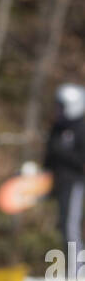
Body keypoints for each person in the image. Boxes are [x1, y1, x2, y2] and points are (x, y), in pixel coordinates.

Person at [43, 83, 85, 260]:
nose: (57, 110)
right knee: (61, 224)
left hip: (74, 182)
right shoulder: (58, 128)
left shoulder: (81, 129)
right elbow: (50, 156)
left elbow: (80, 161)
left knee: (70, 225)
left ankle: (78, 269)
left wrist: (62, 152)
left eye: (61, 106)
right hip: (57, 182)